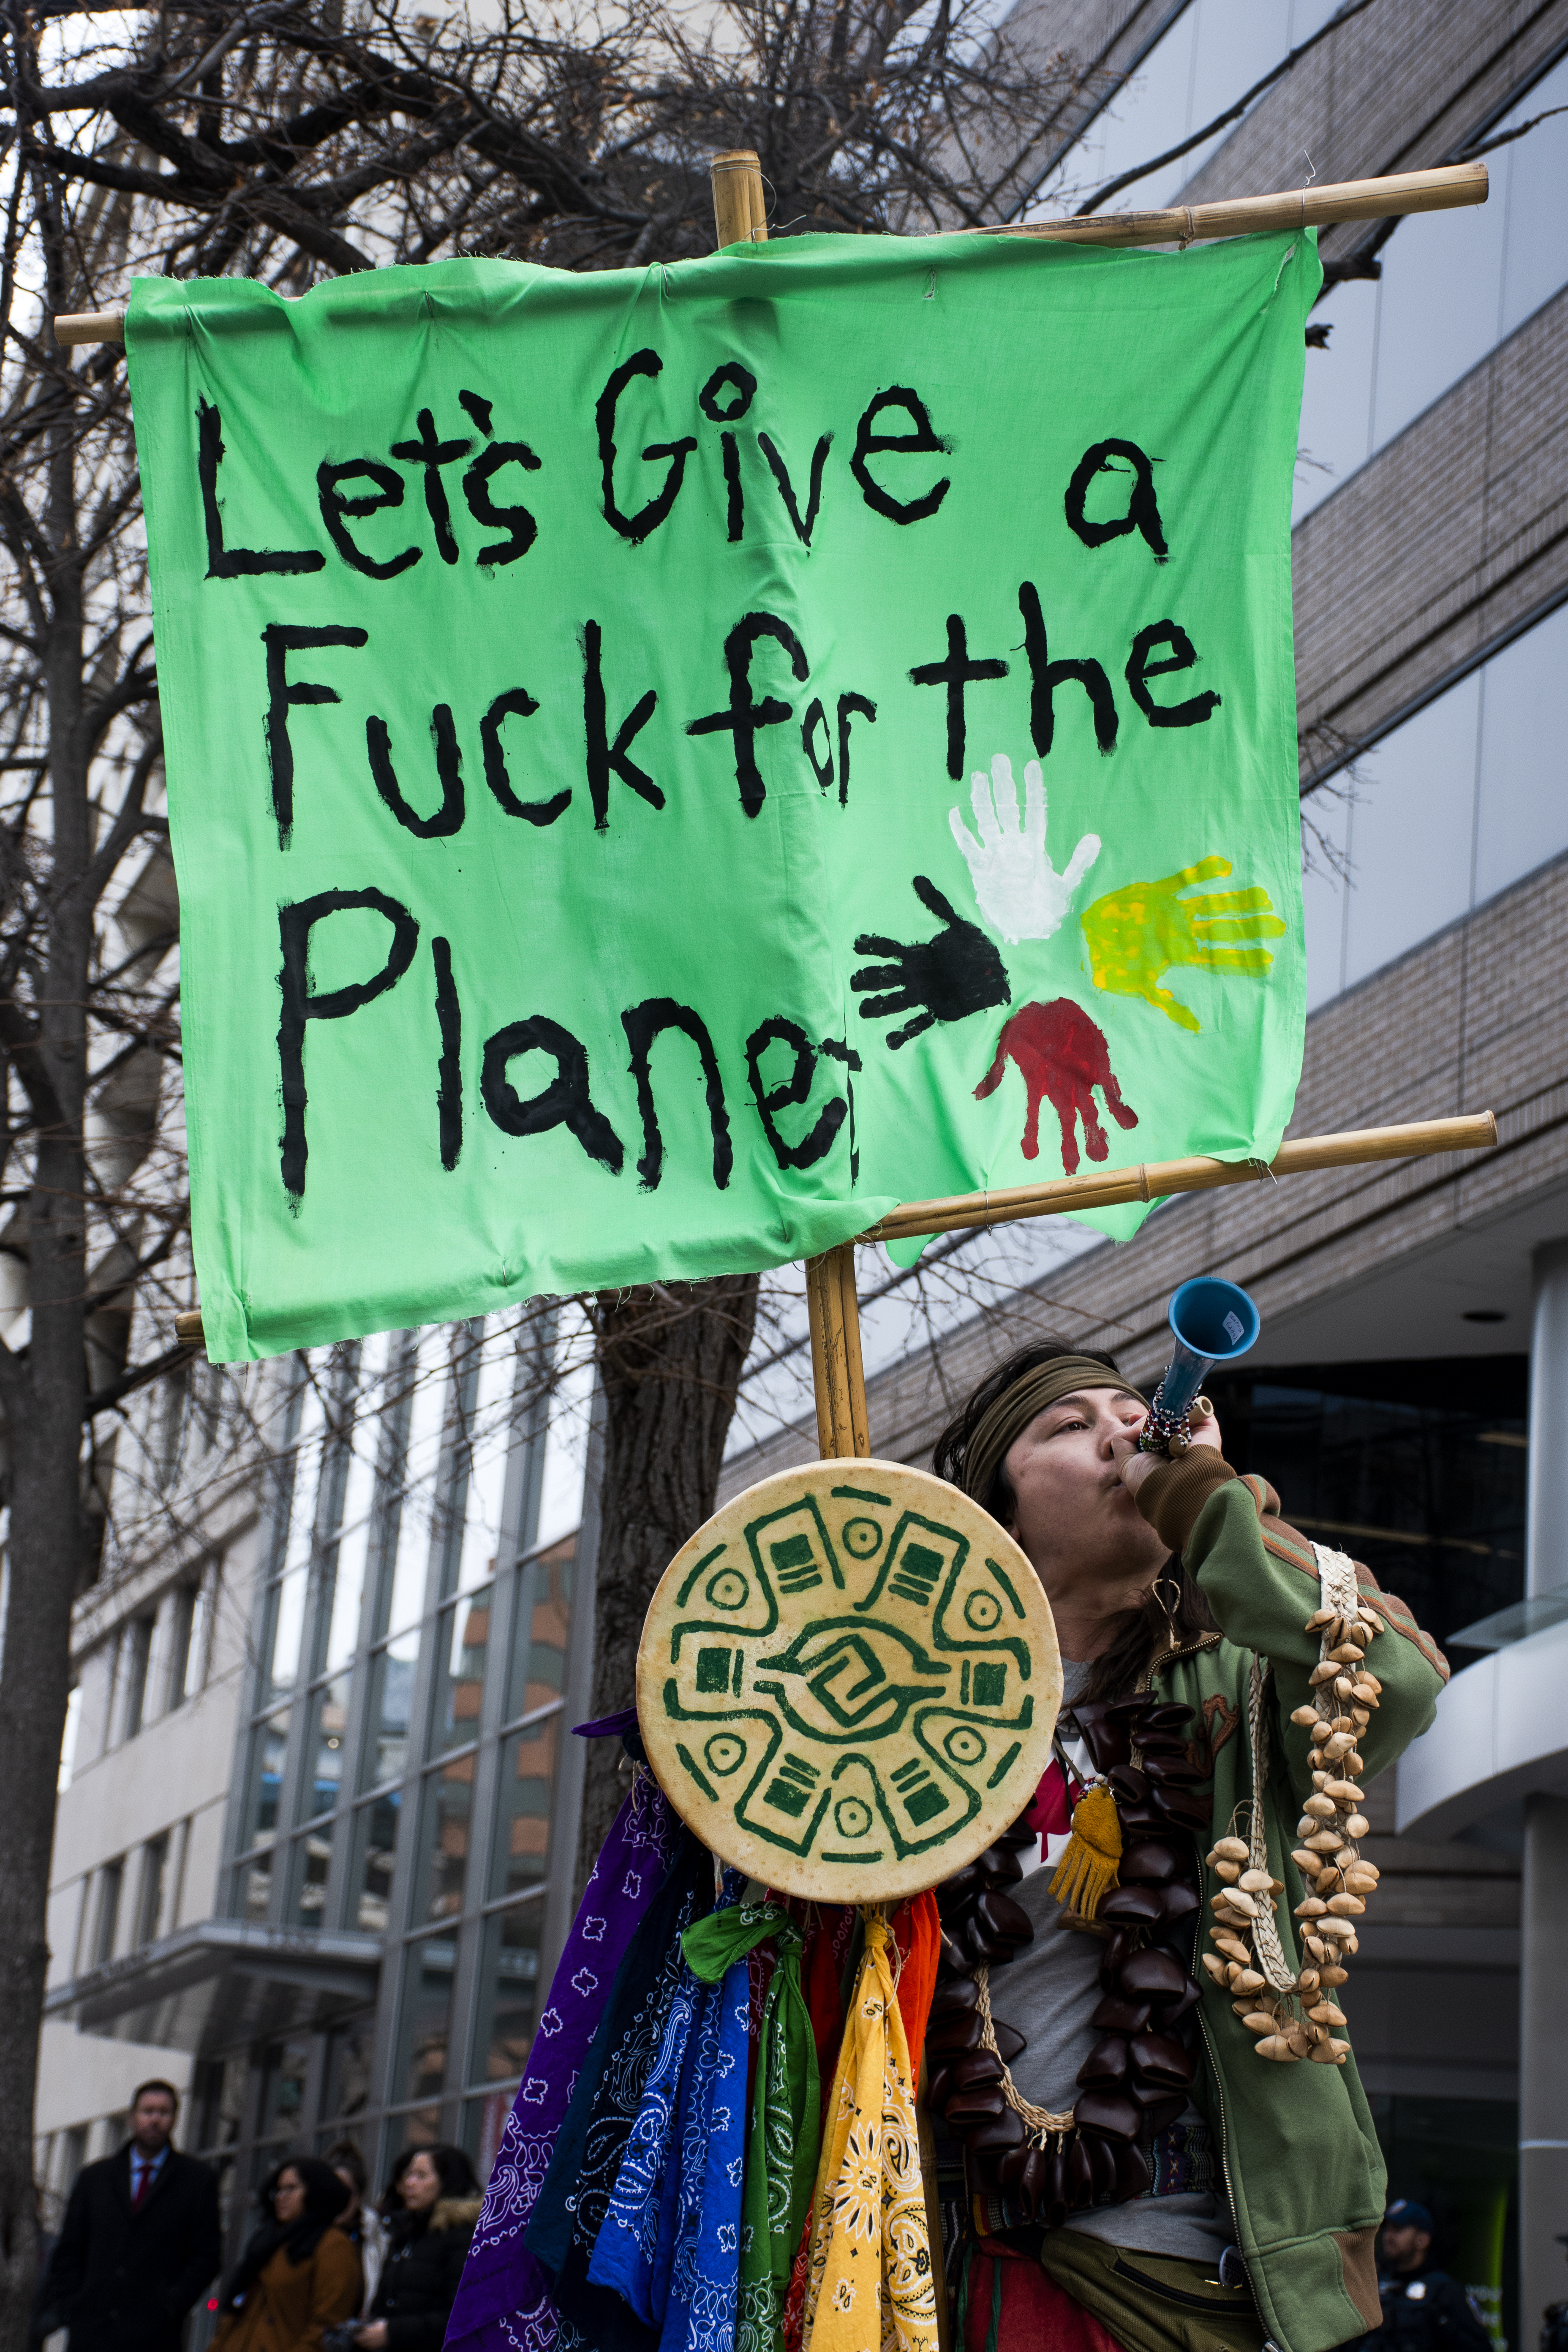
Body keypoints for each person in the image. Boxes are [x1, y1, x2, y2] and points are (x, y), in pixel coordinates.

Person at [926, 1339, 1451, 2352]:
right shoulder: (929, 1707)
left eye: (1134, 1415)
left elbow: (1397, 1676)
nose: (1122, 1431)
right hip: (966, 2260)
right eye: (1070, 1426)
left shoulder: (1239, 1684)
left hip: (1204, 2279)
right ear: (1000, 1503)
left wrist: (1207, 1496)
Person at [42, 2078, 221, 2352]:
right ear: (132, 2118)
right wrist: (72, 2305)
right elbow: (70, 2249)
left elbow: (206, 2256)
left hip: (155, 2335)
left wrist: (172, 2305)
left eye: (164, 2112)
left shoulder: (197, 2181)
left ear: (174, 2119)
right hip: (91, 2332)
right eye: (147, 2111)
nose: (155, 2120)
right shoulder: (95, 2179)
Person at [211, 2156, 362, 2351]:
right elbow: (232, 2314)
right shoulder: (267, 2241)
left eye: (291, 2189)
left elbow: (327, 2325)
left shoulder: (333, 2245)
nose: (282, 2197)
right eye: (279, 2190)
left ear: (314, 2191)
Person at [354, 2144, 481, 2350]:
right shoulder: (407, 2229)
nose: (409, 2183)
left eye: (422, 2176)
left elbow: (462, 2314)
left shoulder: (461, 2236)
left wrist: (392, 2332)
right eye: (409, 2174)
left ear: (447, 2182)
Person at [1363, 2199, 1492, 2352]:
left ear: (1422, 2240)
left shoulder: (1445, 2291)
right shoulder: (1378, 2287)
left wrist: (1443, 2324)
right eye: (1387, 2230)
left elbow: (1481, 2348)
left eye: (1398, 2229)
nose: (1388, 2237)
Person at [325, 2142, 387, 2313]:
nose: (338, 2200)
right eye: (331, 2191)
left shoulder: (375, 2239)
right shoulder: (305, 2237)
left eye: (346, 2192)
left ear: (359, 2196)